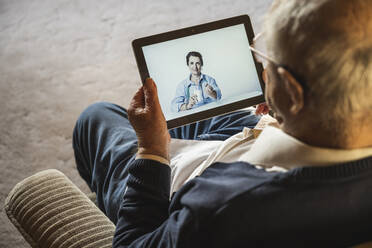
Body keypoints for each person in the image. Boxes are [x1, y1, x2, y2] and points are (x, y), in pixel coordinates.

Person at [72, 0, 372, 246]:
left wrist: (152, 149)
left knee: (97, 118)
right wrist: (283, 116)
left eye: (270, 61)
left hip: (181, 188)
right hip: (296, 140)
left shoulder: (222, 208)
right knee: (212, 115)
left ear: (294, 92)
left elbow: (133, 243)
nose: (264, 71)